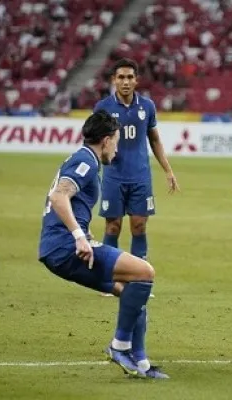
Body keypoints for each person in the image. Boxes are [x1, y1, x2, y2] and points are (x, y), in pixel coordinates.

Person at [38, 110, 168, 379]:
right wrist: (79, 236)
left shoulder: (83, 160)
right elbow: (59, 196)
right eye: (117, 141)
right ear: (107, 140)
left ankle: (141, 364)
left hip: (56, 250)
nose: (117, 149)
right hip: (65, 247)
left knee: (134, 293)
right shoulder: (85, 161)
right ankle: (119, 347)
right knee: (145, 272)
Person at [93, 58, 179, 261]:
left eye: (130, 77)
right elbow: (95, 142)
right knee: (113, 226)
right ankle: (109, 278)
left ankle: (139, 281)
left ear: (136, 80)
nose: (125, 82)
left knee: (139, 225)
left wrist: (168, 170)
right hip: (113, 177)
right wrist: (100, 161)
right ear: (114, 80)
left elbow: (155, 140)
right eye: (121, 77)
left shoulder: (147, 106)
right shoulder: (103, 107)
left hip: (140, 177)